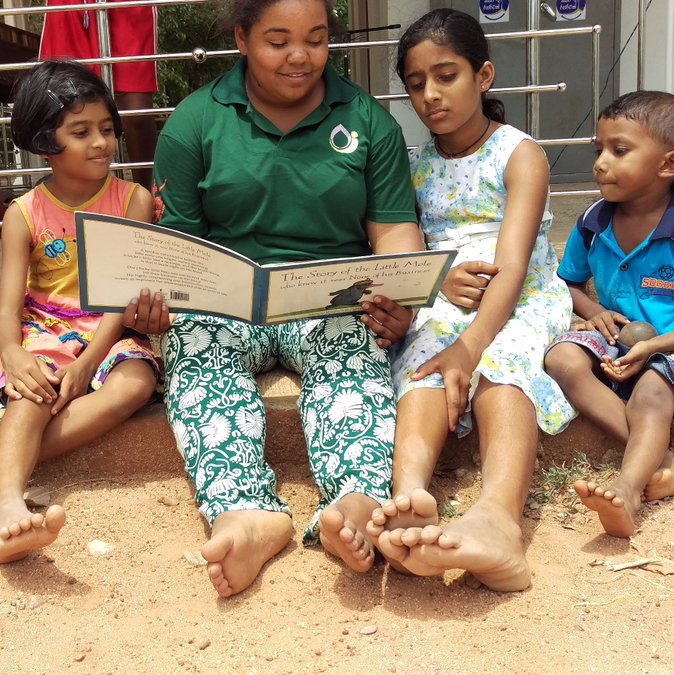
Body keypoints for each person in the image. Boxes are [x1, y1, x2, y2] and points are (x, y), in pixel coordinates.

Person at [125, 0, 425, 598]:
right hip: (226, 304)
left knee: (352, 355)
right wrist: (157, 304)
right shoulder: (194, 121)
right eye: (278, 40)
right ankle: (248, 513)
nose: (300, 57)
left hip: (329, 299)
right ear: (241, 38)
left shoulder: (367, 120)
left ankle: (355, 503)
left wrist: (400, 299)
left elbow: (394, 235)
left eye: (316, 39)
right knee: (195, 348)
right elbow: (177, 244)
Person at [361, 9, 575, 592]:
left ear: (483, 76)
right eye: (415, 82)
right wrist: (434, 293)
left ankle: (498, 521)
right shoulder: (414, 166)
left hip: (521, 299)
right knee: (426, 364)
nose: (430, 95)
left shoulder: (518, 153)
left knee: (502, 367)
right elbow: (408, 254)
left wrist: (472, 344)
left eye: (446, 75)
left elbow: (511, 263)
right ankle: (409, 495)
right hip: (446, 305)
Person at [0, 61, 160, 564]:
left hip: (110, 327)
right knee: (32, 386)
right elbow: (7, 309)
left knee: (134, 386)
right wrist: (12, 352)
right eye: (81, 132)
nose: (101, 143)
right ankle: (6, 507)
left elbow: (120, 295)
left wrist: (90, 360)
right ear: (45, 140)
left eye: (107, 129)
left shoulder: (131, 199)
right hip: (46, 326)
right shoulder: (23, 212)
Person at [543, 90, 674, 538]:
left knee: (652, 392)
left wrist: (653, 346)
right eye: (599, 149)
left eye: (619, 150)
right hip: (616, 339)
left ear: (669, 164)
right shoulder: (593, 221)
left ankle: (629, 490)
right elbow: (567, 283)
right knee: (562, 359)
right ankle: (665, 466)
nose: (600, 162)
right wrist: (593, 311)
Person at [40, 0, 159, 189]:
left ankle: (148, 200)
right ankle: (80, 199)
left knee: (137, 112)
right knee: (68, 103)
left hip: (126, 7)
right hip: (70, 5)